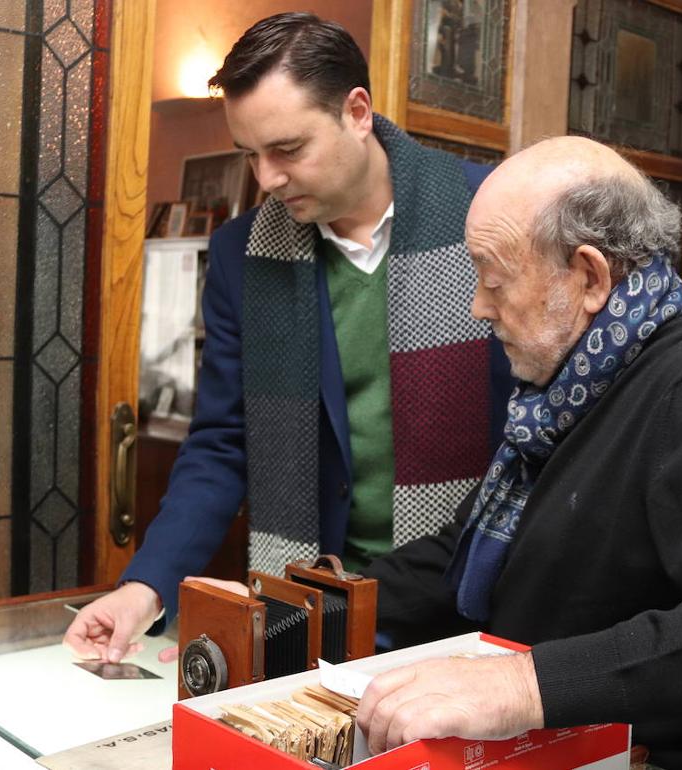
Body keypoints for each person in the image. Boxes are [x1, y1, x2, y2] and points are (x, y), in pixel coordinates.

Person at [355, 136, 682, 769]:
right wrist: (319, 600)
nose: (480, 307)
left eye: (494, 280)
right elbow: (474, 553)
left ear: (589, 276)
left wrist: (525, 685)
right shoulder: (567, 385)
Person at [64, 12, 511, 665]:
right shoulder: (243, 255)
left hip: (476, 606)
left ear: (357, 112)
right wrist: (144, 587)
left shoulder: (492, 212)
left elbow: (546, 434)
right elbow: (221, 443)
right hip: (315, 616)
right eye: (251, 155)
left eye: (287, 149)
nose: (266, 179)